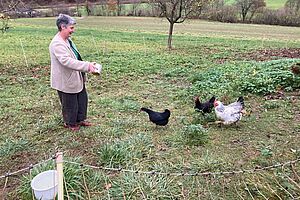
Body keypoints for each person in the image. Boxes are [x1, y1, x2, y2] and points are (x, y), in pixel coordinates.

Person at [49, 14, 97, 131]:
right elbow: (67, 61)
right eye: (71, 28)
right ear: (62, 27)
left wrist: (88, 65)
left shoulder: (67, 40)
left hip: (75, 76)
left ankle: (80, 119)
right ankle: (70, 123)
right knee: (69, 102)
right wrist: (87, 66)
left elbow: (75, 57)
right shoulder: (57, 43)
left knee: (81, 98)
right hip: (65, 79)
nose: (73, 30)